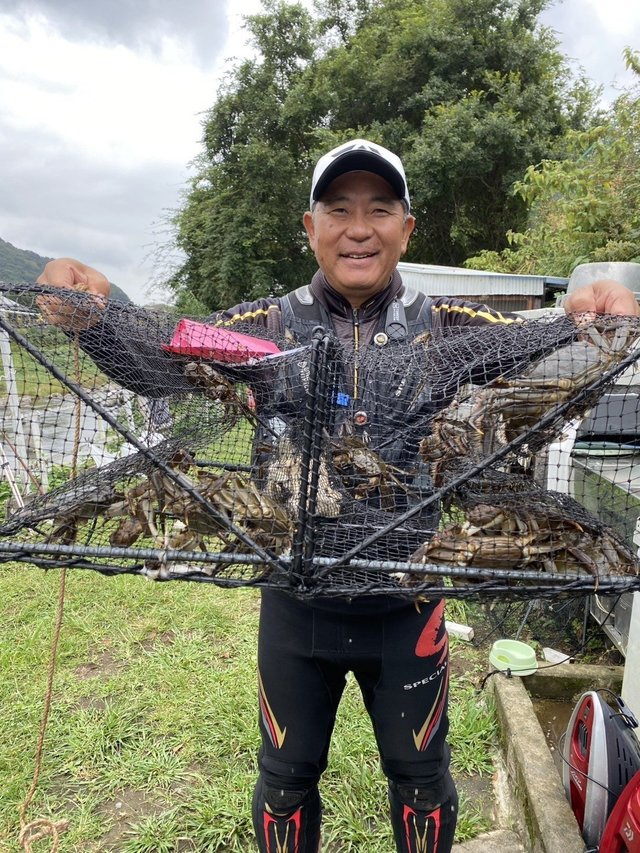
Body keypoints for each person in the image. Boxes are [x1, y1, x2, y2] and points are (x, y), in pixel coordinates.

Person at [37, 138, 639, 852]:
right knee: (285, 779)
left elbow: (545, 349)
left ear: (406, 228)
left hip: (408, 607)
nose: (359, 227)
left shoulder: (450, 328)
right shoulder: (263, 327)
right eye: (339, 209)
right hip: (296, 609)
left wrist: (594, 318)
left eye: (379, 209)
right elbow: (165, 361)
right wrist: (96, 322)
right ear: (310, 226)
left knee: (422, 779)